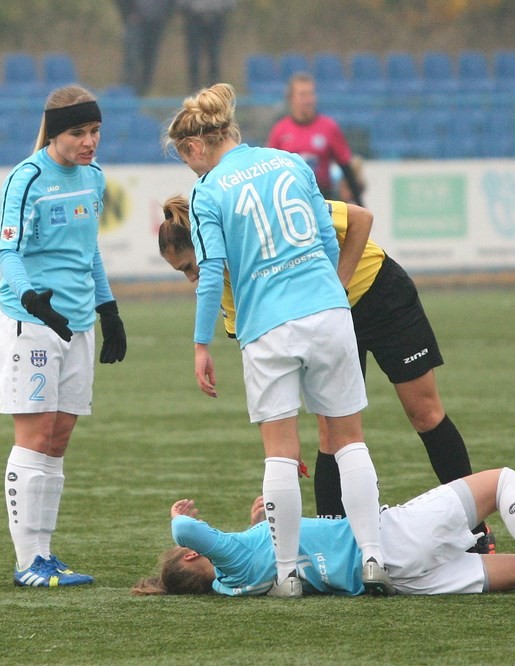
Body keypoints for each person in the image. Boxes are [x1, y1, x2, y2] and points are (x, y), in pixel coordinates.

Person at [158, 195, 494, 552]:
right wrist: (281, 430)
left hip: (379, 294)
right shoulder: (225, 280)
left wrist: (337, 287)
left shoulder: (262, 211)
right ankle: (334, 551)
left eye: (189, 266)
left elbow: (361, 219)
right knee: (330, 434)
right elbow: (260, 350)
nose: (192, 279)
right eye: (183, 272)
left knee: (424, 413)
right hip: (325, 324)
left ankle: (475, 530)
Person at [163, 82, 394, 598]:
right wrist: (326, 295)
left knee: (281, 455)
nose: (190, 170)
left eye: (185, 159)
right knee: (350, 439)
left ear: (195, 147)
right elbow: (325, 237)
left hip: (267, 326)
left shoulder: (208, 191)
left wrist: (201, 344)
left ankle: (287, 574)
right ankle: (374, 558)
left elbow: (212, 270)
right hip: (327, 310)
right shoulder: (290, 162)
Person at [132, 467, 515, 597]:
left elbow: (291, 550)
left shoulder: (236, 583)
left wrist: (267, 520)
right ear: (192, 557)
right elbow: (186, 525)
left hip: (402, 581)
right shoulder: (232, 559)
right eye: (191, 548)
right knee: (503, 481)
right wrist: (180, 515)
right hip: (390, 540)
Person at [0, 84, 128, 588]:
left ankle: (45, 554)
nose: (89, 141)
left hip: (77, 325)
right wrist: (32, 299)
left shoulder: (94, 178)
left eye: (95, 131)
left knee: (58, 437)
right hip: (31, 322)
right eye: (78, 133)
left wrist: (108, 309)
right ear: (54, 133)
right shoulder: (27, 178)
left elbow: (90, 250)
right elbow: (7, 253)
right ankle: (27, 560)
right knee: (34, 437)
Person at [266, 72, 363, 205]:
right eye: (303, 94)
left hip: (322, 199)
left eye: (311, 94)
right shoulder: (280, 130)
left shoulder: (329, 127)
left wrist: (360, 204)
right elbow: (270, 172)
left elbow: (346, 167)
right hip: (290, 200)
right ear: (291, 98)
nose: (308, 100)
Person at [116, 0, 174, 95]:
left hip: (156, 20)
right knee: (132, 56)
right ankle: (127, 91)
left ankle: (144, 91)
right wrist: (128, 13)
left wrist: (166, 15)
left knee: (150, 58)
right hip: (135, 20)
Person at [178, 0, 236, 91]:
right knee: (194, 55)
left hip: (216, 17)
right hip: (194, 18)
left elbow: (230, 4)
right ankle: (194, 87)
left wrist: (224, 9)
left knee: (214, 54)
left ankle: (214, 88)